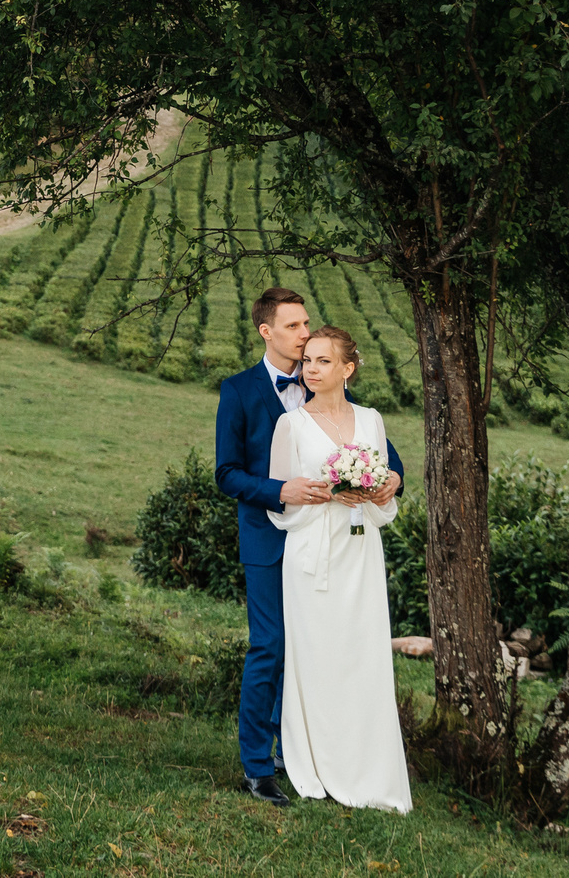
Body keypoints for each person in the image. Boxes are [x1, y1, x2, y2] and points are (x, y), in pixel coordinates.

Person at [212, 287, 405, 805]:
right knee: (271, 648)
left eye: (307, 326)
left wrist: (392, 479)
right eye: (294, 327)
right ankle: (258, 765)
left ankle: (298, 749)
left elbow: (387, 457)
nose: (304, 335)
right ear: (266, 331)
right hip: (270, 543)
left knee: (315, 649)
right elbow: (226, 474)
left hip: (335, 544)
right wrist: (280, 491)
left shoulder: (329, 392)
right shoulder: (239, 391)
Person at [268, 324, 411, 810]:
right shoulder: (290, 424)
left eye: (323, 360)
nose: (310, 368)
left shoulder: (371, 420)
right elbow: (281, 504)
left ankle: (368, 766)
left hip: (361, 549)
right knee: (317, 656)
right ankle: (314, 764)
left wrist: (386, 482)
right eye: (307, 359)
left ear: (347, 369)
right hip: (312, 556)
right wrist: (327, 491)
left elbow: (388, 476)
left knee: (361, 655)